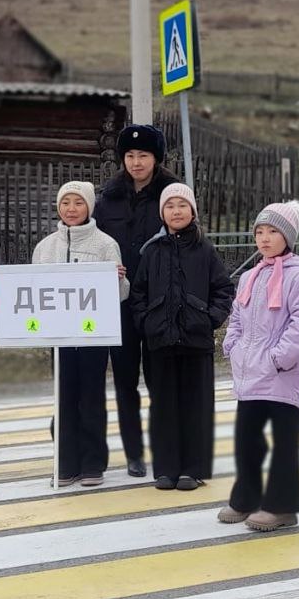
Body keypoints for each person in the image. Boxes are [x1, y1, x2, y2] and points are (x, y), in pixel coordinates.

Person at [220, 200, 299, 531]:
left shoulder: (298, 276)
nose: (264, 238)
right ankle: (246, 497)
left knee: (284, 442)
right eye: (260, 231)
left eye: (273, 231)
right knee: (246, 439)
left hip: (281, 376)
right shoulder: (250, 275)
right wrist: (231, 346)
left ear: (288, 237)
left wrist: (278, 358)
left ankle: (282, 506)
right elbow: (237, 317)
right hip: (249, 374)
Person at [130, 183, 233, 491]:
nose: (176, 211)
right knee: (163, 406)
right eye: (170, 206)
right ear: (163, 213)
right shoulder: (152, 250)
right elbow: (138, 294)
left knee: (196, 406)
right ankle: (166, 468)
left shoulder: (205, 249)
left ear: (192, 211)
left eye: (182, 205)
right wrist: (147, 323)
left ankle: (193, 469)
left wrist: (209, 318)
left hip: (195, 341)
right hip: (160, 342)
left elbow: (224, 290)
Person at [31, 180, 129, 486]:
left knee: (91, 397)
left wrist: (117, 281)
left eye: (78, 203)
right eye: (65, 203)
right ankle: (66, 463)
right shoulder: (45, 247)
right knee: (64, 397)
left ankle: (92, 463)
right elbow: (34, 290)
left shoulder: (104, 244)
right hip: (59, 339)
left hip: (92, 338)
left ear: (89, 206)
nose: (71, 209)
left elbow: (121, 294)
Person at [94, 124, 178, 477]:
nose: (136, 162)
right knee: (125, 380)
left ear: (156, 158)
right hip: (122, 303)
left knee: (160, 380)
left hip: (159, 302)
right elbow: (95, 244)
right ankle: (134, 454)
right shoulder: (108, 197)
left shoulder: (171, 194)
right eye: (129, 155)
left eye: (143, 155)